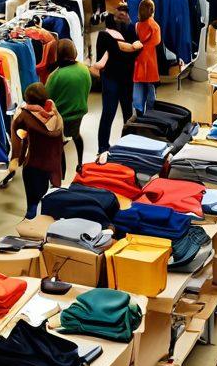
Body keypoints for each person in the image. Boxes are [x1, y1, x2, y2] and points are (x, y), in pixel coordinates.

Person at [11, 82, 64, 218]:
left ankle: (31, 219)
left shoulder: (24, 116)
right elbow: (60, 140)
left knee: (32, 199)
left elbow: (17, 135)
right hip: (52, 161)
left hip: (33, 162)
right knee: (44, 192)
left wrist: (16, 158)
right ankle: (43, 218)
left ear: (27, 99)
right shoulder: (55, 113)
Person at [93, 11, 141, 154]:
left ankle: (103, 148)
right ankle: (127, 146)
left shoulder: (104, 35)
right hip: (124, 78)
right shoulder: (131, 31)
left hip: (111, 78)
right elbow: (136, 52)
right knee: (126, 114)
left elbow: (101, 58)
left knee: (110, 114)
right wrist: (130, 49)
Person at [46, 38, 92, 173]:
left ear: (58, 54)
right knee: (76, 135)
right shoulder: (84, 69)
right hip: (79, 113)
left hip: (61, 117)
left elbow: (47, 100)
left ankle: (61, 172)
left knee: (58, 143)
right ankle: (80, 163)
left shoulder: (55, 76)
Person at [133, 0, 161, 113]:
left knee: (138, 88)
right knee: (150, 90)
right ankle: (150, 113)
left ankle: (138, 110)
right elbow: (157, 42)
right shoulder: (155, 26)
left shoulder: (137, 25)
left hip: (139, 60)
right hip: (150, 60)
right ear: (152, 11)